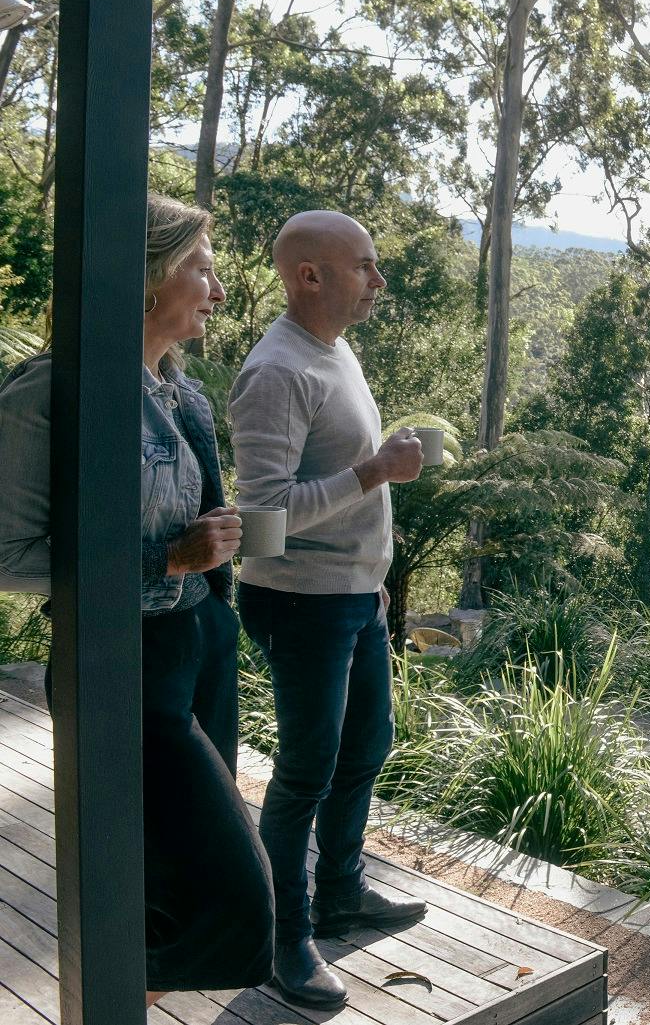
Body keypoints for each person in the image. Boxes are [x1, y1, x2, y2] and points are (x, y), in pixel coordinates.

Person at [0, 194, 275, 1004]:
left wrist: (343, 511)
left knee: (166, 889)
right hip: (122, 669)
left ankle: (126, 1000)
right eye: (204, 267)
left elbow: (217, 529)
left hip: (201, 653)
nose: (218, 292)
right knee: (238, 897)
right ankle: (103, 994)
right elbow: (8, 556)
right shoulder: (52, 392)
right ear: (149, 277)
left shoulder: (181, 393)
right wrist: (168, 560)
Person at [229, 209, 427, 1010]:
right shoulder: (277, 371)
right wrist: (374, 471)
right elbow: (264, 522)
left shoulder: (333, 349)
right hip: (298, 603)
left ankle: (342, 892)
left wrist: (371, 574)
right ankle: (284, 937)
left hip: (353, 597)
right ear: (309, 275)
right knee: (306, 770)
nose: (378, 279)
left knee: (365, 747)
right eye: (365, 265)